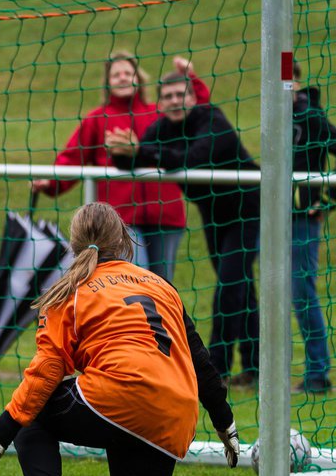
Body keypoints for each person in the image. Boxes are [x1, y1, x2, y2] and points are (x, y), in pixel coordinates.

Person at [0, 202, 283, 476]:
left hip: (117, 397)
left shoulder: (70, 291)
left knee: (31, 409)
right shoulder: (160, 285)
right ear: (124, 238)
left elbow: (45, 373)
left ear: (73, 243)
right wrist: (224, 419)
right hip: (174, 413)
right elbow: (199, 358)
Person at [106, 72, 261, 386]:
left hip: (249, 209)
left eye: (181, 95)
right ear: (161, 103)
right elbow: (135, 159)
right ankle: (254, 367)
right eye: (169, 96)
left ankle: (216, 368)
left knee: (230, 287)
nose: (176, 101)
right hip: (213, 214)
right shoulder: (161, 129)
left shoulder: (213, 121)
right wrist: (120, 152)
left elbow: (193, 159)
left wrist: (142, 152)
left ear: (192, 98)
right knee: (239, 288)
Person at [31, 53, 210, 281]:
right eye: (116, 75)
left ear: (138, 77)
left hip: (166, 216)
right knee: (133, 283)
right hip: (121, 221)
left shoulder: (159, 114)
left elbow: (198, 115)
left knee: (163, 285)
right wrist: (51, 182)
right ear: (108, 82)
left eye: (128, 72)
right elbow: (73, 157)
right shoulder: (96, 119)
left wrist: (191, 79)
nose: (123, 78)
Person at [289, 62, 336, 394]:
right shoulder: (273, 117)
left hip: (302, 219)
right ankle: (259, 368)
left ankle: (318, 374)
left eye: (287, 81)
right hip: (272, 216)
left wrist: (329, 199)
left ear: (296, 82)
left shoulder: (309, 116)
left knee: (302, 292)